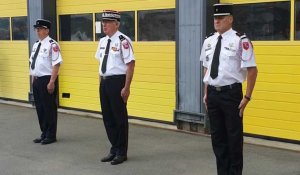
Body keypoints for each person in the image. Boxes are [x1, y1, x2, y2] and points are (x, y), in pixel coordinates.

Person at [200, 4, 258, 175]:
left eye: (221, 18)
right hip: (212, 94)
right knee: (218, 139)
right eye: (215, 18)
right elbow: (207, 68)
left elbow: (252, 70)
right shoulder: (208, 40)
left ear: (230, 19)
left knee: (233, 138)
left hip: (231, 94)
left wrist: (247, 97)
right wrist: (205, 93)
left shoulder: (240, 40)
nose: (216, 21)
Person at [95, 10, 135, 165]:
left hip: (117, 82)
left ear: (116, 24)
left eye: (108, 22)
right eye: (103, 22)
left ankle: (121, 152)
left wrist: (126, 87)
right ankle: (114, 148)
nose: (104, 25)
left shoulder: (123, 41)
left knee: (119, 118)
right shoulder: (103, 41)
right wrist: (100, 82)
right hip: (105, 82)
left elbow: (130, 64)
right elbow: (100, 64)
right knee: (108, 117)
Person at [30, 19, 63, 145]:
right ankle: (44, 132)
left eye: (40, 29)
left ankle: (51, 135)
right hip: (37, 80)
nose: (37, 31)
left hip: (47, 79)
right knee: (40, 108)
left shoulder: (52, 44)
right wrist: (34, 77)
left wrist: (52, 82)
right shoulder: (36, 44)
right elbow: (34, 63)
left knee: (49, 108)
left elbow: (56, 64)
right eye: (36, 29)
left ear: (47, 30)